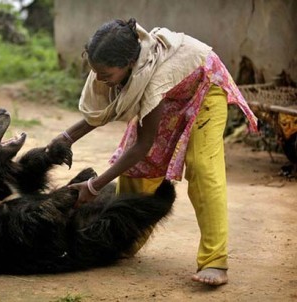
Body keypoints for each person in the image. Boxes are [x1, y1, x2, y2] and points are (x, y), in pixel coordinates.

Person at [48, 18, 258, 286]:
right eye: (96, 73)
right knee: (138, 170)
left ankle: (214, 260)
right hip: (170, 97)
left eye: (107, 75)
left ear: (129, 64)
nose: (102, 81)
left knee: (203, 167)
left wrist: (94, 185)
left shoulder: (153, 76)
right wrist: (66, 138)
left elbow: (142, 145)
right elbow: (106, 111)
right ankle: (122, 240)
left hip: (204, 91)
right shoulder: (123, 67)